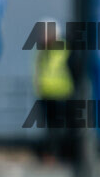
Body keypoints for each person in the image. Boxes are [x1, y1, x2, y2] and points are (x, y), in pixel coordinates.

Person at [33, 23, 77, 160]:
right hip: (46, 94)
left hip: (62, 93)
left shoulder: (64, 48)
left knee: (63, 127)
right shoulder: (43, 50)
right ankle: (53, 154)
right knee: (51, 128)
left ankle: (64, 154)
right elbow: (39, 70)